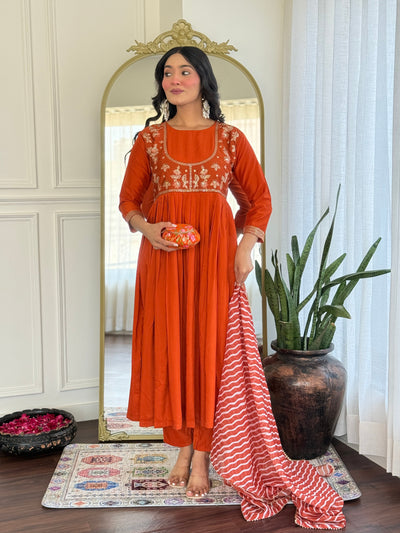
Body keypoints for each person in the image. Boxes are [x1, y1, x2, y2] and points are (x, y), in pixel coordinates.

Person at [119, 46, 272, 499]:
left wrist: (245, 248)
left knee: (209, 350)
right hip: (163, 257)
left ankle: (202, 453)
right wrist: (148, 228)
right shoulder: (149, 141)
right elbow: (128, 201)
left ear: (203, 79)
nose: (174, 79)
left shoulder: (230, 139)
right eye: (167, 72)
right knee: (172, 346)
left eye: (185, 71)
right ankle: (181, 447)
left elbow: (258, 200)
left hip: (216, 260)